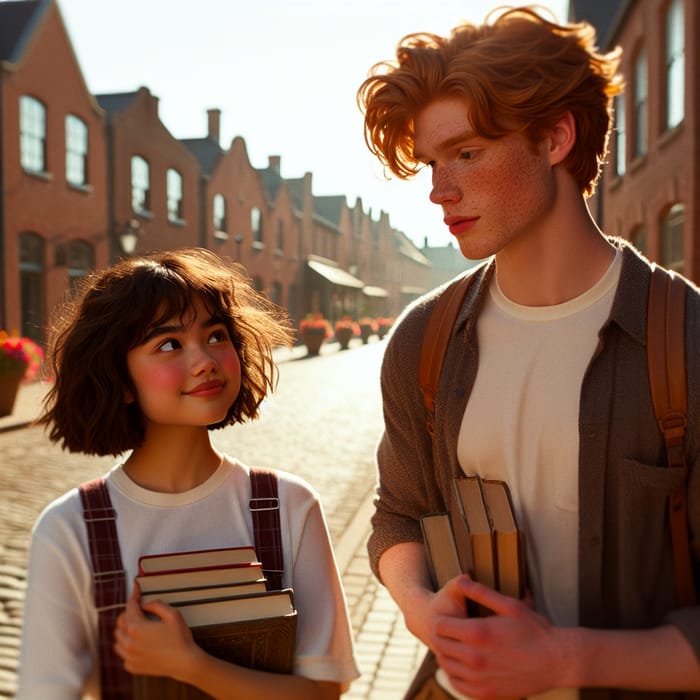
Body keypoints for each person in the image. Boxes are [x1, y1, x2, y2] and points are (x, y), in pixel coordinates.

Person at [357, 5, 700, 699]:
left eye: (468, 153)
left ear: (554, 137)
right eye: (432, 162)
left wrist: (566, 661)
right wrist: (426, 615)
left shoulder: (686, 339)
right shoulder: (423, 341)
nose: (439, 190)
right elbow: (398, 512)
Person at [17, 247, 359, 699]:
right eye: (169, 344)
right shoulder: (69, 530)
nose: (205, 360)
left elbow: (324, 690)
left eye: (216, 335)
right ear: (118, 380)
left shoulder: (289, 506)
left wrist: (191, 665)